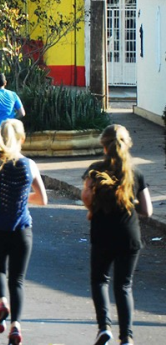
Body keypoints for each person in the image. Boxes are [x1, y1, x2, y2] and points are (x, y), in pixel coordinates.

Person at [0, 119, 48, 345]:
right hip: (22, 228)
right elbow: (43, 200)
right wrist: (21, 198)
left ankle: (2, 302)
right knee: (17, 279)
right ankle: (15, 326)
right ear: (22, 138)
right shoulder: (30, 164)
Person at [82, 125, 153, 345]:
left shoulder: (95, 170)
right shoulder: (135, 173)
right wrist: (131, 201)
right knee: (124, 286)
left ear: (103, 144)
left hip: (102, 233)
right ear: (127, 143)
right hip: (129, 235)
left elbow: (86, 197)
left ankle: (104, 327)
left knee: (100, 280)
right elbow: (147, 211)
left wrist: (96, 202)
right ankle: (127, 338)